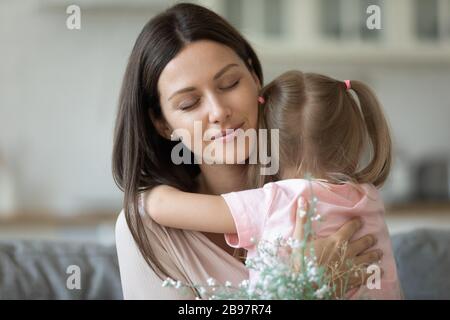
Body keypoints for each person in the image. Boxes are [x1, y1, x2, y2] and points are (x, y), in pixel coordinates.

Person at [113, 3, 381, 299]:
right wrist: (301, 288)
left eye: (230, 83)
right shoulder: (146, 228)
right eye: (189, 103)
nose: (218, 112)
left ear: (254, 78)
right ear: (162, 123)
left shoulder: (327, 191)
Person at [145, 71, 402, 299]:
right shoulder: (370, 198)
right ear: (354, 147)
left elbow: (159, 206)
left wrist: (148, 191)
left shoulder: (275, 201)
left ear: (268, 148)